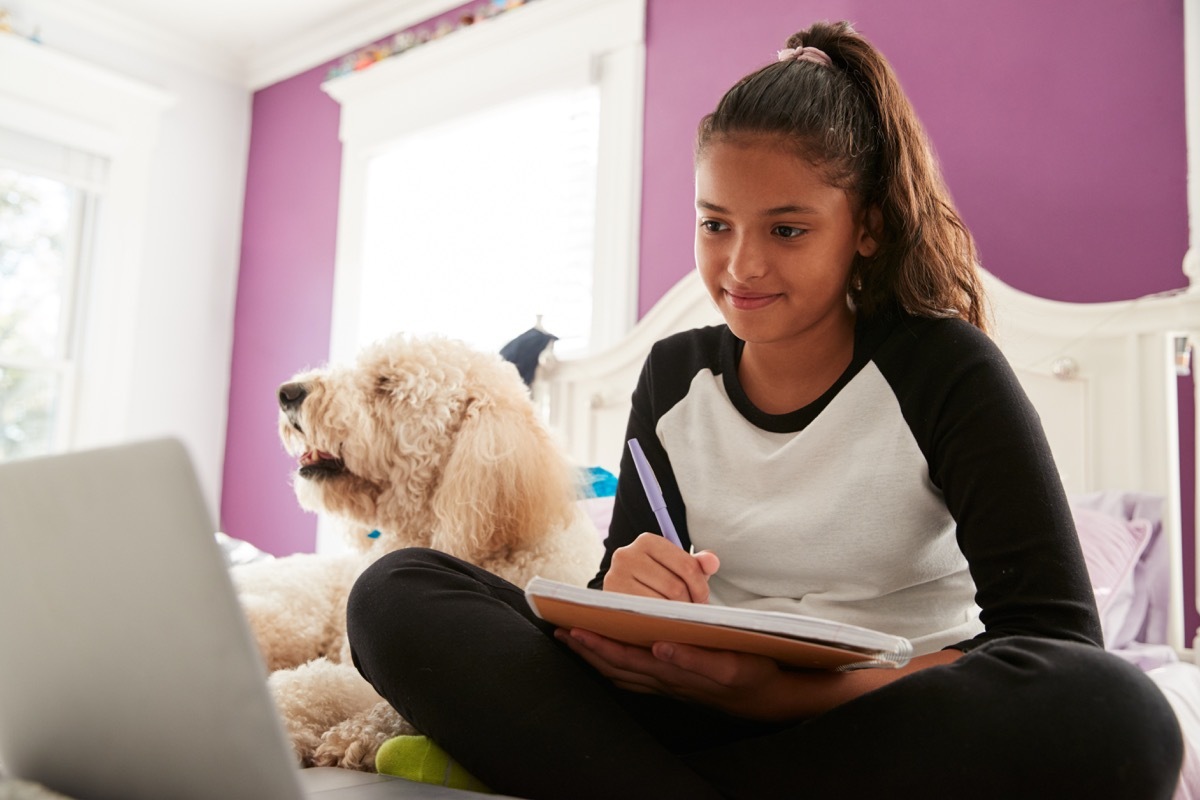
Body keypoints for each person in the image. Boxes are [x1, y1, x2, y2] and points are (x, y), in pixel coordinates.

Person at [346, 20, 1183, 799]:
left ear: (867, 227)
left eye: (787, 230)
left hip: (876, 723)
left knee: (1120, 710)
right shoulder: (674, 377)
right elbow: (621, 606)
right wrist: (624, 590)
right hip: (686, 708)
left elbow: (1057, 641)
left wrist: (779, 697)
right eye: (716, 224)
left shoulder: (943, 369)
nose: (740, 266)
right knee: (395, 589)